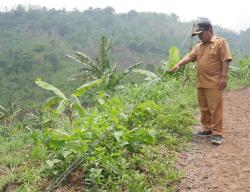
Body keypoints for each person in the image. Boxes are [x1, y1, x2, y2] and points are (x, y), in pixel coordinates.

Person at [171, 21, 232, 145]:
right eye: (198, 34)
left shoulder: (220, 42)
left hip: (214, 82)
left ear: (209, 30)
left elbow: (226, 59)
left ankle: (217, 133)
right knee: (204, 108)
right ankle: (207, 129)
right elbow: (190, 56)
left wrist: (223, 77)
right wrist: (179, 64)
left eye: (201, 33)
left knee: (215, 108)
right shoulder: (199, 46)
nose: (199, 36)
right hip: (201, 82)